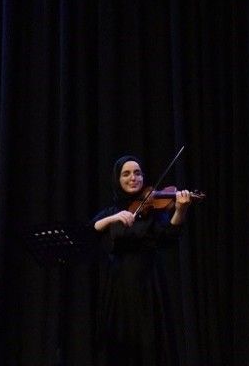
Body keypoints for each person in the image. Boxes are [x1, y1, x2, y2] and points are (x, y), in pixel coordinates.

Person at [91, 155, 194, 366]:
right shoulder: (112, 212)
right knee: (120, 345)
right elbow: (92, 229)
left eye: (137, 173)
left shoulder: (152, 210)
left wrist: (180, 210)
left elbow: (169, 236)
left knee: (150, 343)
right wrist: (114, 218)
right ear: (117, 179)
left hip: (148, 283)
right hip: (119, 286)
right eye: (126, 174)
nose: (133, 178)